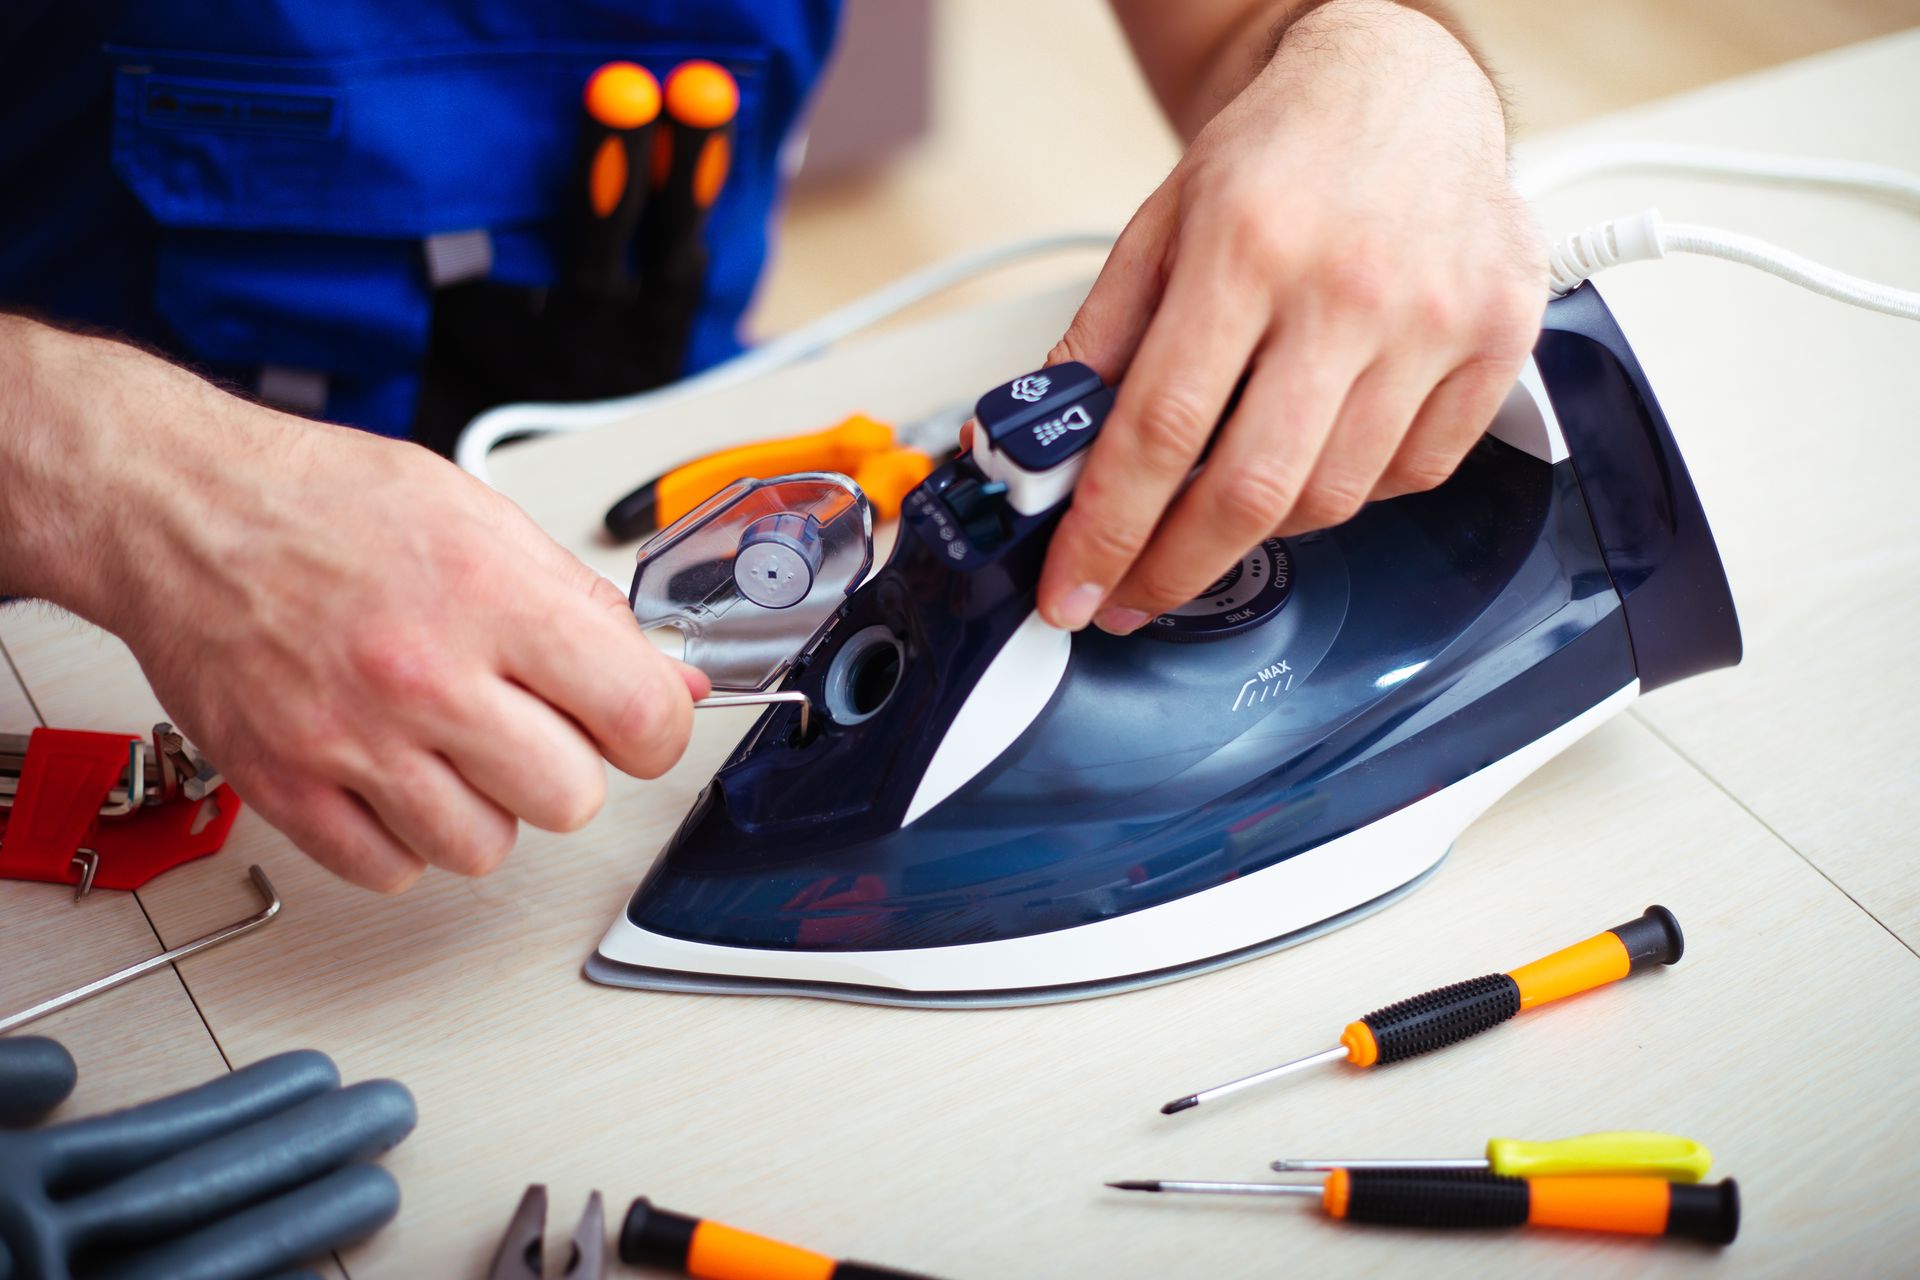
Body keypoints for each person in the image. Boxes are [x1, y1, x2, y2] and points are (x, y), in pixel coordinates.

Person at [0, 0, 1542, 892]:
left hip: (660, 427)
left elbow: (1258, 25)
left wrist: (1382, 65)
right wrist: (136, 486)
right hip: (66, 606)